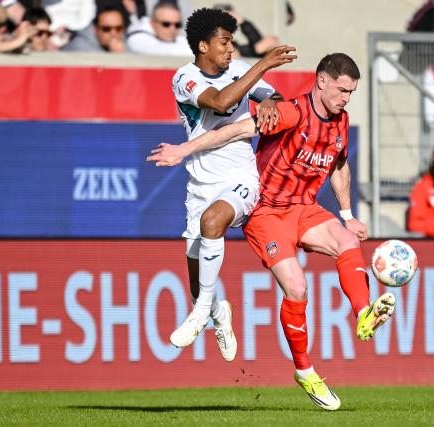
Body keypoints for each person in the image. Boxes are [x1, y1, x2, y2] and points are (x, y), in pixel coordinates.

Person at [148, 53, 396, 411]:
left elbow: (340, 163)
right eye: (342, 90)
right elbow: (235, 130)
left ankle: (364, 313)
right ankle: (305, 370)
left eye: (351, 93)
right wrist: (184, 150)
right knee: (297, 287)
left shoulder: (340, 121)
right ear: (322, 81)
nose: (345, 98)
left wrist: (347, 214)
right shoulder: (290, 112)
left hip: (305, 207)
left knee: (345, 241)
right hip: (267, 213)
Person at [147, 7, 296, 362]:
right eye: (223, 42)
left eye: (231, 41)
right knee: (198, 278)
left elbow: (273, 99)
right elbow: (220, 101)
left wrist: (271, 104)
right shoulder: (184, 77)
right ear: (202, 46)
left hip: (242, 179)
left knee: (212, 222)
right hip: (200, 183)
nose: (230, 49)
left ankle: (199, 315)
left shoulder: (243, 69)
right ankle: (216, 313)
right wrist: (263, 64)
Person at [126, 1, 192, 55]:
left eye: (177, 25)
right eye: (166, 24)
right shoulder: (136, 37)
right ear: (152, 23)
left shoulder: (180, 39)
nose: (172, 29)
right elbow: (166, 52)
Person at [63, 5, 128, 52]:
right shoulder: (79, 47)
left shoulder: (126, 43)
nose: (113, 33)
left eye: (118, 28)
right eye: (106, 29)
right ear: (96, 30)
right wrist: (118, 57)